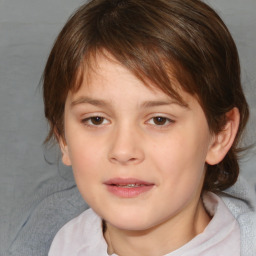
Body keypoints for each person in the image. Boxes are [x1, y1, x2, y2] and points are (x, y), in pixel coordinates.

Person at [42, 0, 256, 255]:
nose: (123, 151)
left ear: (219, 135)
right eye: (96, 120)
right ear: (63, 138)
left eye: (159, 120)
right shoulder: (64, 244)